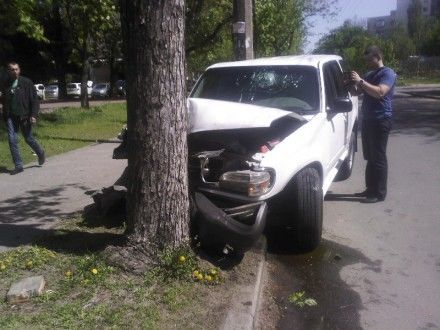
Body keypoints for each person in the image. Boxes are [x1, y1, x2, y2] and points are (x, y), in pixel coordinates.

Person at [350, 46, 396, 203]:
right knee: (370, 157)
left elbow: (380, 92)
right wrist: (350, 84)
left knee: (379, 157)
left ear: (378, 56)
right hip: (368, 120)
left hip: (381, 120)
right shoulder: (370, 74)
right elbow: (358, 92)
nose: (368, 62)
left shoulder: (387, 73)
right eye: (366, 60)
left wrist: (361, 81)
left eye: (370, 59)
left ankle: (379, 193)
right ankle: (370, 189)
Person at [1, 62, 45, 175]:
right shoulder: (5, 84)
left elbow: (34, 100)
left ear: (19, 70)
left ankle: (40, 152)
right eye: (12, 70)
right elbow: (4, 98)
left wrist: (33, 115)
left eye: (16, 69)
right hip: (11, 116)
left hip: (25, 116)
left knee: (28, 138)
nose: (14, 71)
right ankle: (19, 165)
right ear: (8, 71)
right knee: (12, 139)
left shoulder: (26, 82)